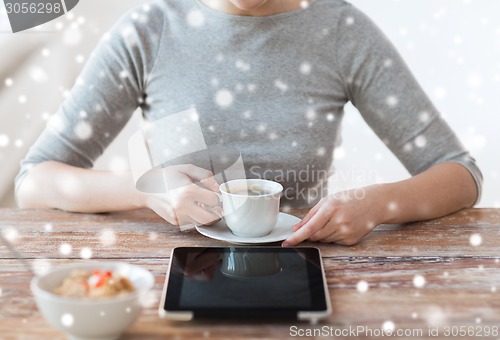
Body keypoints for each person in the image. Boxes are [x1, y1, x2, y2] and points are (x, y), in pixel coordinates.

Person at [15, 0, 482, 246]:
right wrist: (145, 189)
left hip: (303, 270)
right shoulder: (147, 31)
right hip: (176, 277)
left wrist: (380, 203)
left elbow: (461, 173)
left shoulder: (340, 31)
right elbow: (33, 181)